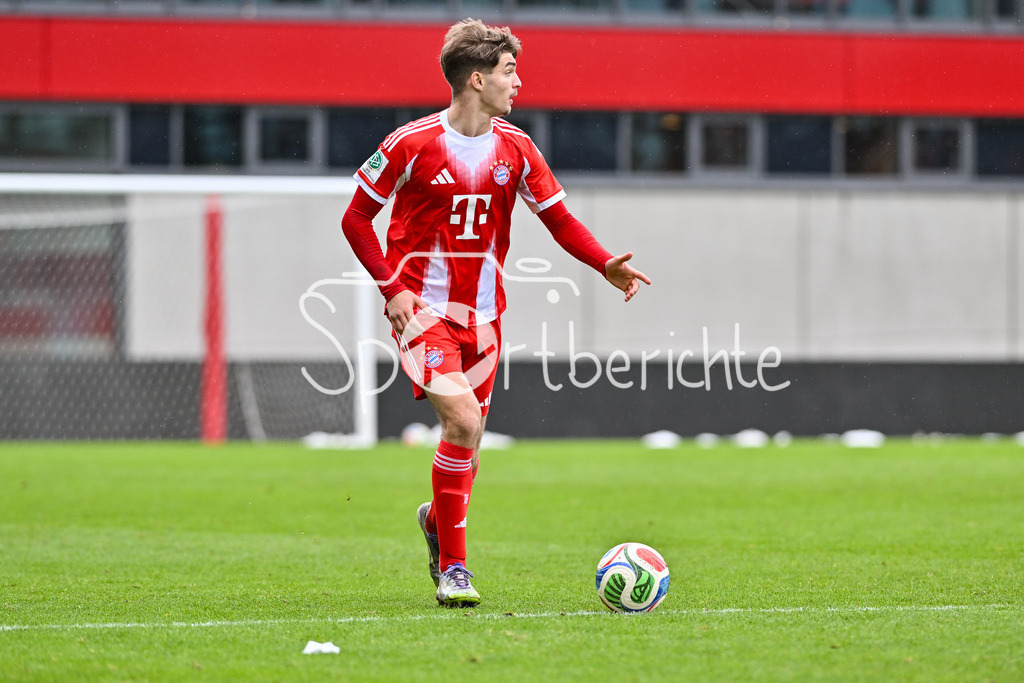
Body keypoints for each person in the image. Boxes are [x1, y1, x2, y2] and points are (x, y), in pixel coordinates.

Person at [341, 18, 650, 608]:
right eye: (511, 71)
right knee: (461, 422)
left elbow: (558, 220)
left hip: (485, 319)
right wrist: (392, 289)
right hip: (422, 311)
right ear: (477, 79)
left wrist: (605, 262)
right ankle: (454, 571)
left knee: (470, 445)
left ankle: (437, 518)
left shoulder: (518, 148)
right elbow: (356, 218)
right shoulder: (410, 143)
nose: (520, 83)